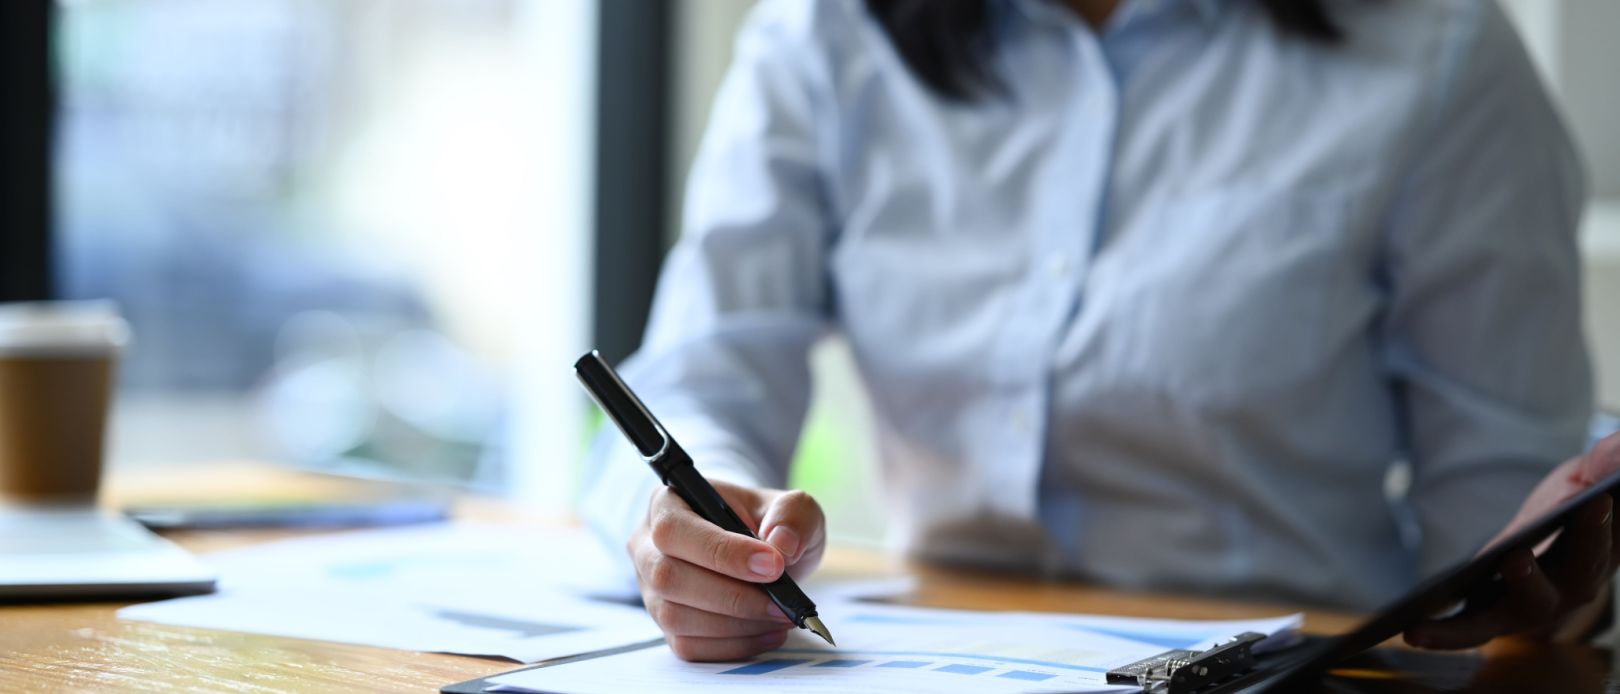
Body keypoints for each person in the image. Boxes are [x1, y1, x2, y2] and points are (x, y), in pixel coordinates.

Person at [581, 0, 1620, 662]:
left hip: (1291, 666)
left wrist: (1545, 584)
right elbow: (700, 373)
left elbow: (1498, 518)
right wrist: (700, 519)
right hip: (937, 658)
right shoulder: (825, 35)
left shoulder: (1436, 54)